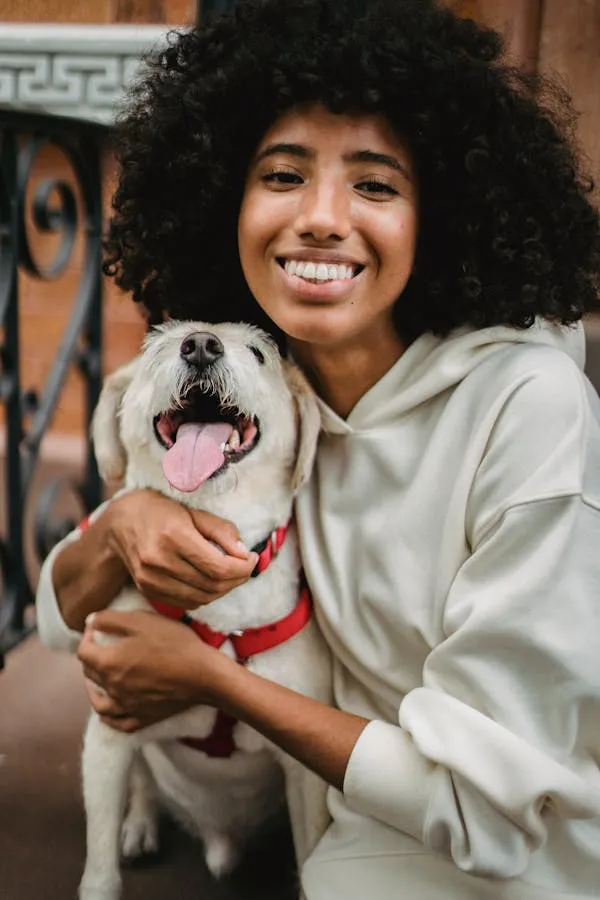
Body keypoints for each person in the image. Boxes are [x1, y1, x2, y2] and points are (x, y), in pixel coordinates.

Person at [35, 0, 600, 897]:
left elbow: (489, 813)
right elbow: (59, 615)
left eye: (375, 185)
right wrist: (122, 525)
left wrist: (215, 682)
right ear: (227, 198)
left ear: (441, 215)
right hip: (349, 824)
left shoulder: (529, 410)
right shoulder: (261, 408)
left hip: (516, 860)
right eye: (283, 175)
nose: (322, 218)